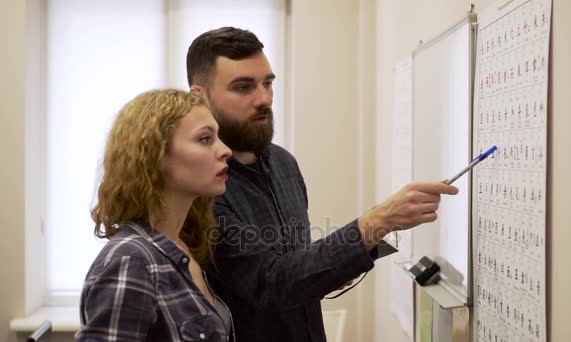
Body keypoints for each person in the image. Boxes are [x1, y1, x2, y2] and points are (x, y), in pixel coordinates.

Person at [186, 27, 459, 342]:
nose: (263, 99)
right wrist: (375, 221)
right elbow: (272, 283)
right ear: (199, 96)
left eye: (268, 83)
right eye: (244, 87)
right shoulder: (201, 185)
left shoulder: (284, 164)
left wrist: (382, 230)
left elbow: (302, 266)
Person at [77, 89, 235, 342]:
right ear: (155, 155)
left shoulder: (182, 247)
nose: (226, 150)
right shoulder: (131, 261)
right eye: (205, 139)